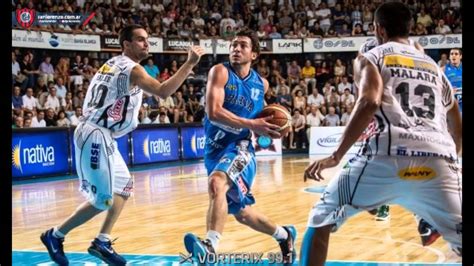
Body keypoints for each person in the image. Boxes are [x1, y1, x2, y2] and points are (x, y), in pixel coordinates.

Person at [300, 3, 462, 265]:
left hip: (387, 155)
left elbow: (369, 102)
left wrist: (335, 156)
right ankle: (425, 217)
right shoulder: (434, 67)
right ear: (411, 29)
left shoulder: (371, 57)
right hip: (438, 159)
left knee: (321, 217)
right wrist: (453, 156)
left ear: (378, 29)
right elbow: (455, 117)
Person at [40, 24, 205, 265]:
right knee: (102, 200)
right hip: (96, 133)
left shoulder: (115, 64)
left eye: (147, 39)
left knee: (124, 186)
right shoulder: (133, 69)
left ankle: (102, 241)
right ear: (126, 44)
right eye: (140, 40)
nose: (146, 43)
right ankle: (54, 235)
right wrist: (188, 63)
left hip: (102, 134)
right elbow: (162, 91)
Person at [183, 29, 297, 264]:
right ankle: (285, 235)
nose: (236, 48)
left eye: (243, 45)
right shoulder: (220, 72)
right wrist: (253, 123)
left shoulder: (261, 84)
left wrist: (278, 127)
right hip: (214, 148)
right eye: (233, 45)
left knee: (216, 183)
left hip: (240, 147)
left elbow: (264, 118)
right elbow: (213, 113)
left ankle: (209, 247)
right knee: (242, 213)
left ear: (254, 54)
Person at [357, 21, 440, 246]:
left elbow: (364, 89)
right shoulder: (416, 48)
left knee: (378, 172)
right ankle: (423, 216)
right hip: (415, 120)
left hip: (390, 117)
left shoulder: (368, 51)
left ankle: (395, 208)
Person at [442, 48, 462, 113]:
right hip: (451, 102)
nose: (453, 56)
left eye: (456, 54)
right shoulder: (443, 69)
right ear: (449, 57)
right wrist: (448, 91)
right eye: (451, 54)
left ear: (460, 56)